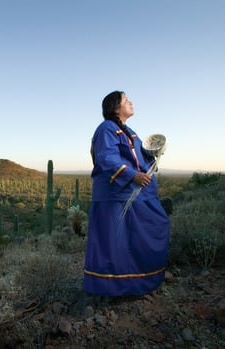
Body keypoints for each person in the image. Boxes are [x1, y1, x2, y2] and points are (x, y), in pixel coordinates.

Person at [83, 90, 170, 297]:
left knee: (157, 223)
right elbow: (107, 158)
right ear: (115, 108)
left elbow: (141, 159)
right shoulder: (106, 129)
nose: (131, 102)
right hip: (116, 195)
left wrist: (155, 156)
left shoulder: (130, 132)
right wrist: (132, 175)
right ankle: (113, 287)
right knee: (117, 242)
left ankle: (144, 277)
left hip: (136, 192)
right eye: (126, 100)